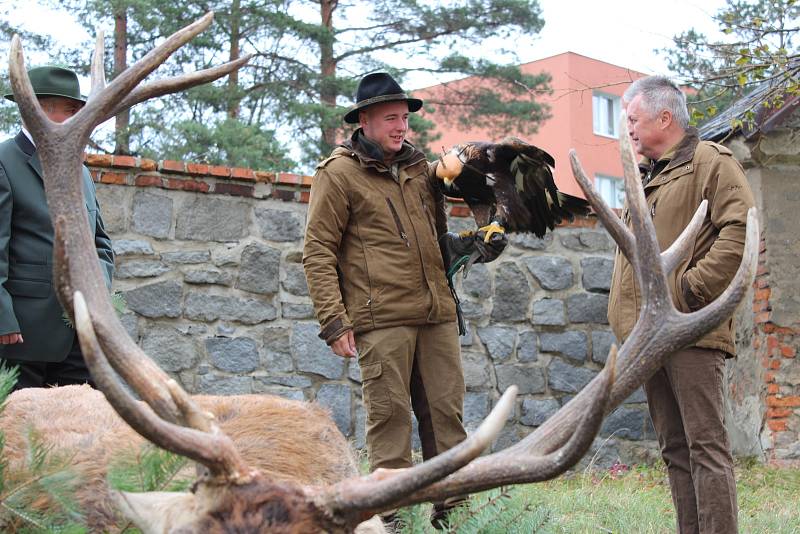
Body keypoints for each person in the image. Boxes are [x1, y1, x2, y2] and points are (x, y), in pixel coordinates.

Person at [303, 72, 506, 529]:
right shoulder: (338, 174)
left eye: (405, 119)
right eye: (391, 118)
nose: (401, 127)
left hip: (436, 314)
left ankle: (455, 517)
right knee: (390, 422)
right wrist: (334, 321)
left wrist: (475, 244)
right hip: (381, 320)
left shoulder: (420, 169)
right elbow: (317, 251)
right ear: (366, 120)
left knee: (447, 420)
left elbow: (436, 241)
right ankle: (389, 522)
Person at [609, 75, 754, 534]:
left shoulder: (711, 162)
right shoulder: (647, 175)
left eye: (633, 119)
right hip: (648, 338)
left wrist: (690, 291)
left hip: (691, 331)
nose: (627, 128)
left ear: (664, 117)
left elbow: (740, 228)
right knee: (674, 448)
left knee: (704, 445)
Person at [0, 65, 114, 390]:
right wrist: (3, 318)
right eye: (71, 111)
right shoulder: (4, 161)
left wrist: (96, 296)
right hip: (22, 335)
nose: (81, 120)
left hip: (81, 338)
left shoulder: (83, 172)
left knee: (79, 431)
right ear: (40, 111)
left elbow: (101, 245)